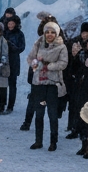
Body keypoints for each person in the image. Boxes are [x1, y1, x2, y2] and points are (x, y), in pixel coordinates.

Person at [26, 22, 69, 151]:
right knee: (39, 113)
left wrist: (48, 66)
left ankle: (53, 142)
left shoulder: (61, 47)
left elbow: (63, 63)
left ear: (57, 33)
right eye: (47, 32)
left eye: (52, 32)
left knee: (52, 114)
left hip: (52, 84)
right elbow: (30, 58)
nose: (50, 35)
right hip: (39, 83)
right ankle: (38, 141)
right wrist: (35, 64)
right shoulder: (38, 43)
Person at [2, 15, 25, 115]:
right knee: (2, 84)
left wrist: (12, 46)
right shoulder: (4, 33)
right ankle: (1, 105)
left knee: (12, 84)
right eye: (9, 23)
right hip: (4, 60)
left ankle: (10, 106)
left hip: (13, 61)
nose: (10, 25)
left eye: (12, 24)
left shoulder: (19, 34)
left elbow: (21, 47)